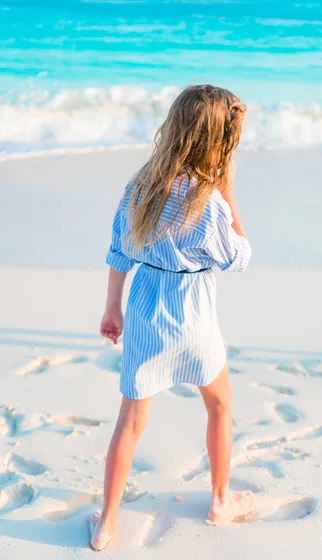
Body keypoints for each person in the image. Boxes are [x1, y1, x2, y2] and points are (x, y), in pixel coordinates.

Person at [89, 84, 255, 551]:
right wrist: (229, 193)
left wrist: (111, 309)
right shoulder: (209, 203)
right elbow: (238, 258)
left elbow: (119, 252)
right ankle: (220, 498)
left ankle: (108, 524)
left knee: (130, 422)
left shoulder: (140, 189)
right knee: (219, 404)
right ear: (219, 143)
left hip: (146, 310)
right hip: (195, 315)